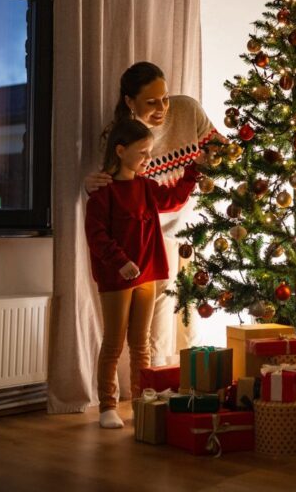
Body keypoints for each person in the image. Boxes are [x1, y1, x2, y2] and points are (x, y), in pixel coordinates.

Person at [85, 62, 220, 367]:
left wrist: (217, 159)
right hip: (149, 236)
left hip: (190, 225)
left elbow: (220, 151)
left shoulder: (187, 110)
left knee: (190, 317)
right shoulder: (120, 138)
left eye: (165, 98)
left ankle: (180, 384)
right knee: (152, 322)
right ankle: (150, 384)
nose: (161, 108)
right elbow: (110, 191)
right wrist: (88, 183)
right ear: (129, 102)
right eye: (151, 102)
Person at [84, 118, 201, 428]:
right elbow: (97, 236)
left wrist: (194, 170)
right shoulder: (103, 193)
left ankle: (140, 401)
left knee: (142, 344)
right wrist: (120, 261)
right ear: (120, 151)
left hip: (147, 275)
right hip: (116, 278)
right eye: (143, 153)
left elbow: (174, 200)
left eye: (150, 152)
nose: (148, 159)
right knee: (113, 343)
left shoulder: (146, 186)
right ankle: (108, 405)